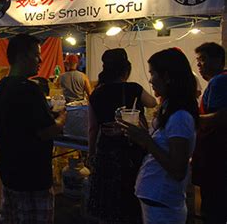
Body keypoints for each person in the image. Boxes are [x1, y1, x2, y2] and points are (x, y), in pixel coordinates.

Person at [115, 48, 198, 224]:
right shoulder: (170, 109)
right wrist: (139, 133)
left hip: (163, 200)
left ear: (167, 77)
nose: (150, 80)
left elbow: (177, 170)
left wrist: (146, 140)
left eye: (153, 74)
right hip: (156, 199)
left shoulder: (180, 117)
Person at [0, 34, 66, 224]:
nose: (40, 60)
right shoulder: (29, 89)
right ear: (21, 57)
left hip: (10, 173)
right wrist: (61, 119)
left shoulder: (2, 86)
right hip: (33, 177)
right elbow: (47, 131)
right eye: (36, 55)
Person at [87, 48, 156, 224]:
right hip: (130, 148)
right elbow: (153, 102)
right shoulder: (134, 88)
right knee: (130, 195)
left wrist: (91, 153)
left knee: (108, 199)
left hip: (106, 150)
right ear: (126, 70)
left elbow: (93, 128)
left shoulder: (96, 93)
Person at [191, 42, 227, 224]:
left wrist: (192, 118)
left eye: (203, 60)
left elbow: (221, 116)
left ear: (218, 60)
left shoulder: (219, 81)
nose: (199, 65)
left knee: (214, 208)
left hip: (216, 155)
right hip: (213, 155)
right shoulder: (217, 81)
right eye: (198, 60)